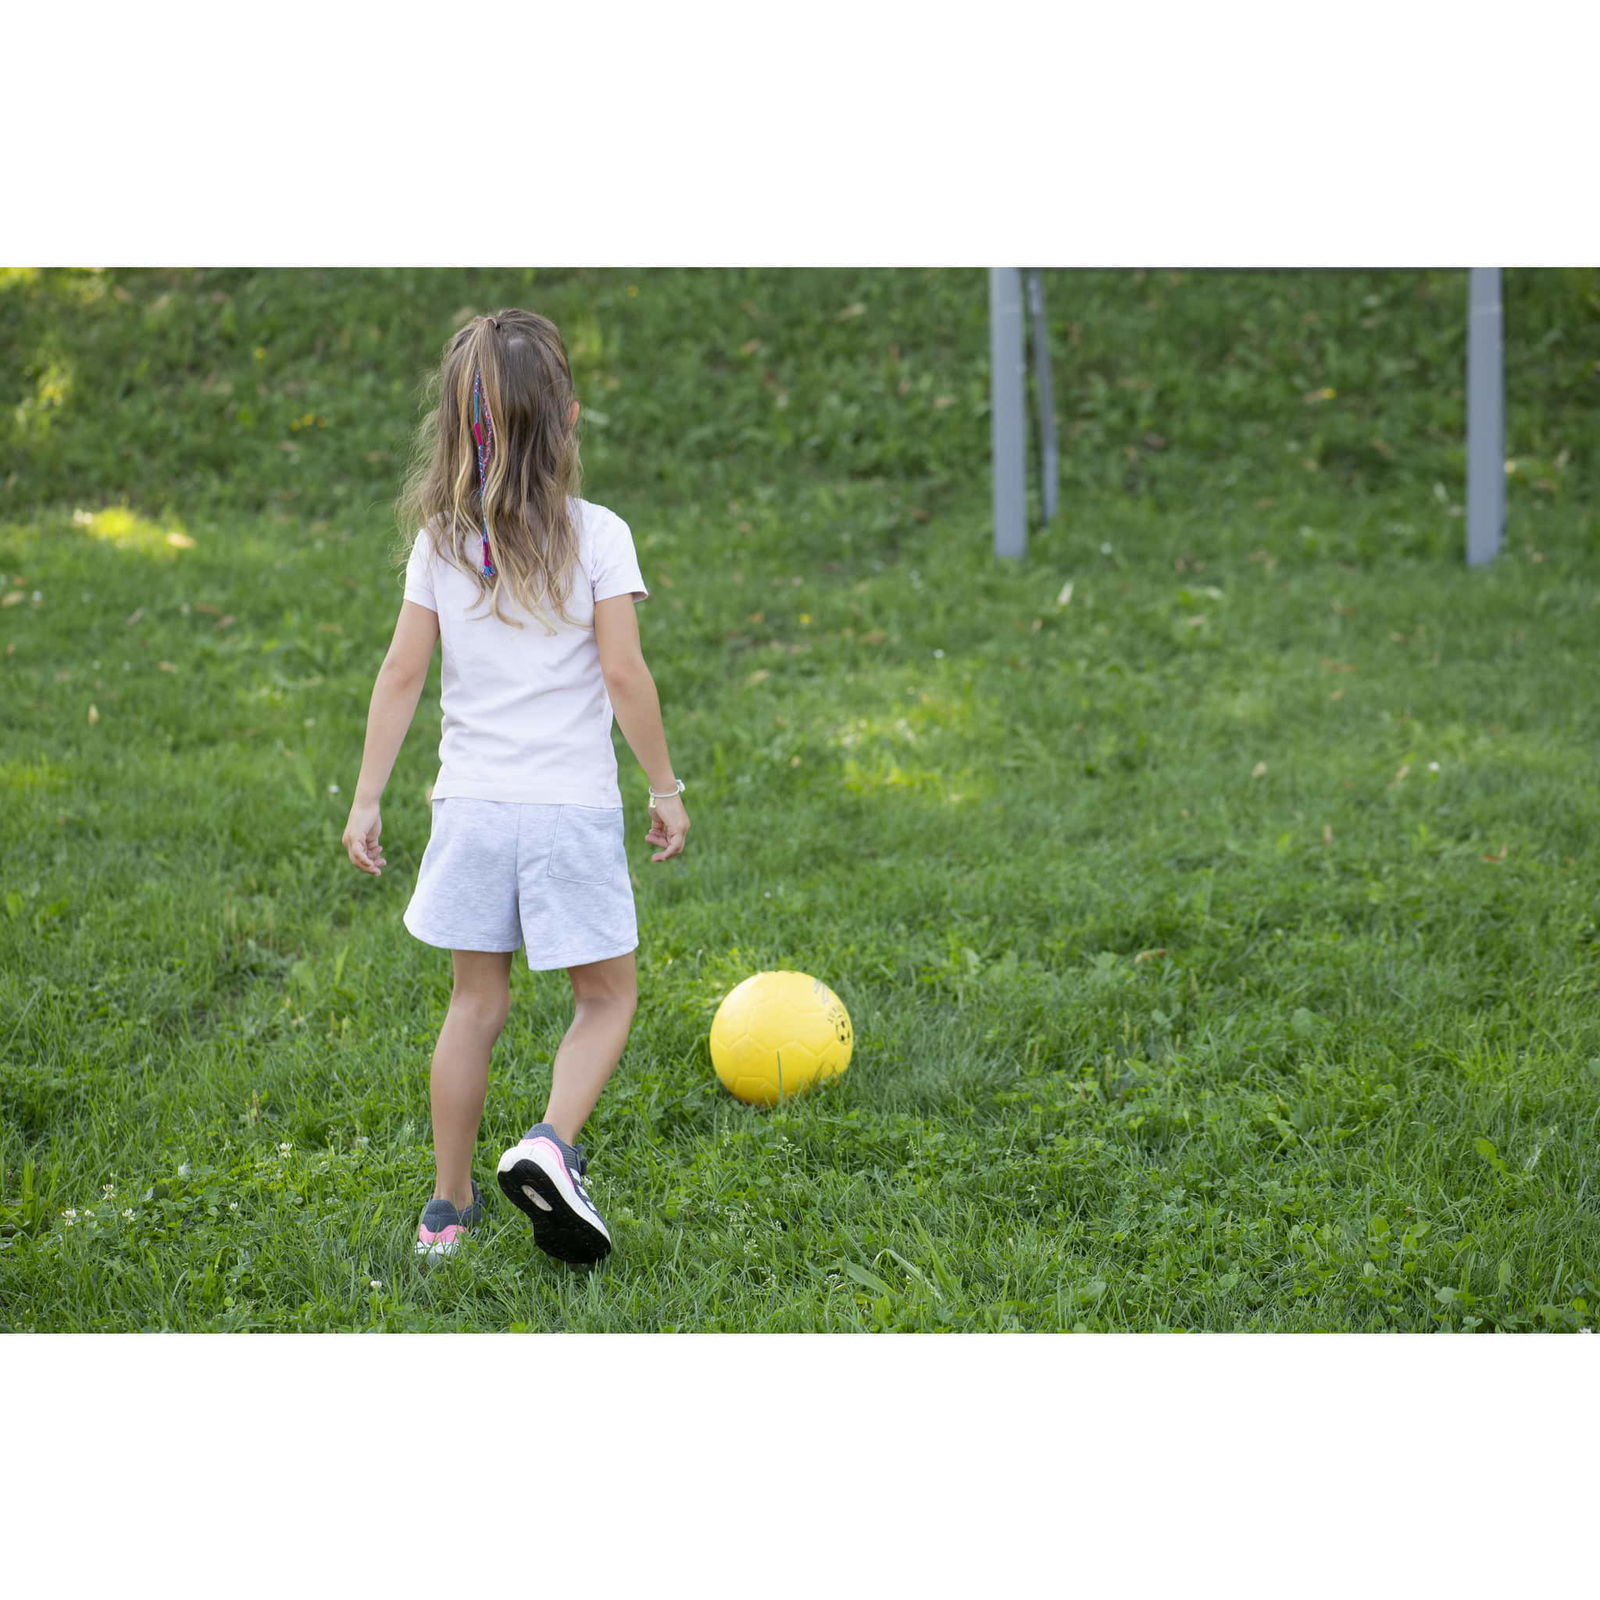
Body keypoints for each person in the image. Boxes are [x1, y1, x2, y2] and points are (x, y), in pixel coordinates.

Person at [340, 307, 689, 1266]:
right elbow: (625, 675)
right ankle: (551, 1144)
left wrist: (367, 797)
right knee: (606, 998)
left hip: (472, 809)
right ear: (567, 418)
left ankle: (446, 1210)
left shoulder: (441, 541)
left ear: (458, 427)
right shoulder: (600, 535)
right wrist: (664, 786)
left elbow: (401, 673)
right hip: (570, 809)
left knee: (474, 1006)